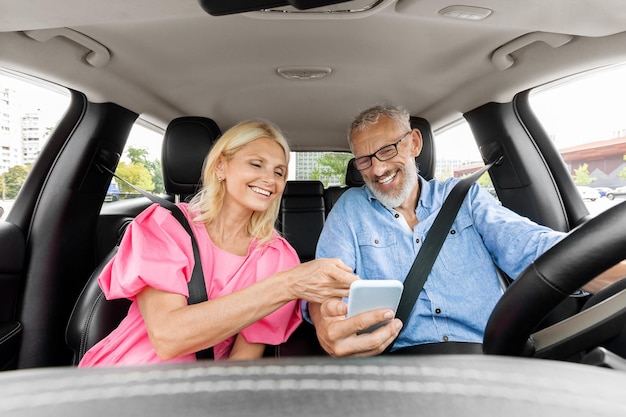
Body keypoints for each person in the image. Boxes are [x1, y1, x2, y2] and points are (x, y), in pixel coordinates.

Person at [306, 104, 626, 357]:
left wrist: (613, 268)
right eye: (363, 160)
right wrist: (324, 324)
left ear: (414, 143)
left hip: (486, 358)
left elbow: (538, 250)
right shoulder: (350, 209)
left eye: (387, 150)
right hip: (397, 363)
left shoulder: (464, 198)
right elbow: (323, 287)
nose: (377, 169)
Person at [79, 119, 357, 367]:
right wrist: (287, 285)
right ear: (221, 166)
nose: (269, 179)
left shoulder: (278, 257)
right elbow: (167, 338)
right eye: (256, 164)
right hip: (124, 373)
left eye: (279, 172)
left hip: (204, 387)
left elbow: (241, 363)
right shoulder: (164, 226)